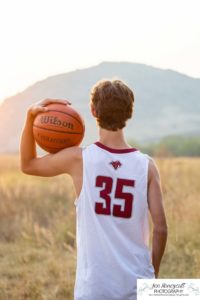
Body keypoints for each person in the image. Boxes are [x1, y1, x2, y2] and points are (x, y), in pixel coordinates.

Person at [20, 79, 168, 300]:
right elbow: (161, 229)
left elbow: (28, 164)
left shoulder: (78, 159)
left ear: (92, 111)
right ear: (129, 113)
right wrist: (153, 275)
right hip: (138, 287)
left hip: (94, 289)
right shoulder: (146, 166)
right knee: (188, 292)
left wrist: (31, 116)